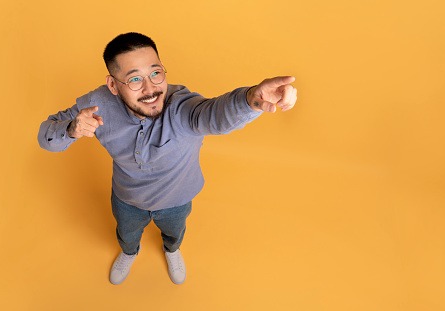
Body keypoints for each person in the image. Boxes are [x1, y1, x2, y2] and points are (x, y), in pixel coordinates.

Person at [38, 32, 297, 285]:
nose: (151, 89)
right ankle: (130, 252)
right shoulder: (96, 104)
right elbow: (46, 135)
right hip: (127, 199)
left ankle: (171, 251)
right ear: (113, 85)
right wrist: (71, 129)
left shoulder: (182, 104)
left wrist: (250, 100)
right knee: (127, 235)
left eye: (155, 73)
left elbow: (214, 115)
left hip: (177, 200)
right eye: (134, 79)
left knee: (174, 235)